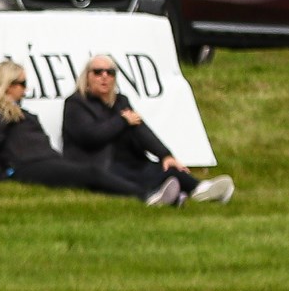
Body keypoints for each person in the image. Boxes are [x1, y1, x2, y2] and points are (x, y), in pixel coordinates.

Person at [0, 61, 181, 206]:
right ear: (7, 85)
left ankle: (158, 192)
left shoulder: (17, 111)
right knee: (92, 174)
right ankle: (147, 196)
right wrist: (2, 177)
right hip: (27, 166)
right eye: (22, 84)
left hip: (47, 160)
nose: (25, 90)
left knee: (91, 175)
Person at [63, 55, 234, 203]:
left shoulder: (121, 102)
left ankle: (201, 189)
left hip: (131, 160)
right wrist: (122, 120)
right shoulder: (75, 104)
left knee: (167, 169)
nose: (104, 77)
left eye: (110, 72)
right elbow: (91, 136)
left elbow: (141, 130)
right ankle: (157, 196)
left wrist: (165, 155)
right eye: (98, 72)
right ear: (87, 77)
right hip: (97, 165)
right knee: (128, 176)